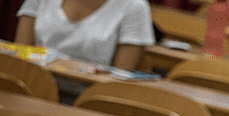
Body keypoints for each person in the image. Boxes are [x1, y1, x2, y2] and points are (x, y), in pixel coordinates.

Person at [15, 0, 155, 70]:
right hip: (32, 85)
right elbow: (18, 55)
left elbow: (118, 80)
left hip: (89, 100)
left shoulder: (135, 6)